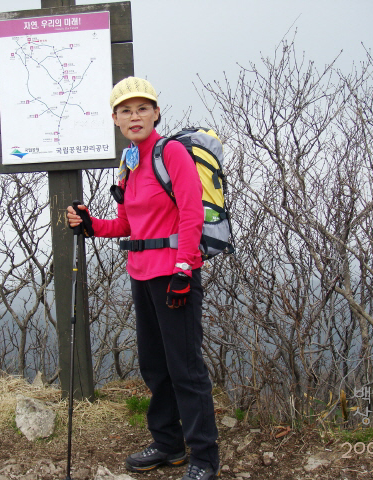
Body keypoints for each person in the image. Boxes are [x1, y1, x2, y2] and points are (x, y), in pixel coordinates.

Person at [67, 77, 220, 480]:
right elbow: (126, 225)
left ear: (156, 113)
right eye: (125, 111)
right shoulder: (130, 162)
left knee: (186, 368)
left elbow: (192, 213)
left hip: (175, 274)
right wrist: (90, 224)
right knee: (155, 365)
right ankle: (169, 445)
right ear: (115, 119)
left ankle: (204, 458)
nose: (134, 116)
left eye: (142, 108)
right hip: (142, 274)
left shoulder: (171, 153)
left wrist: (185, 269)